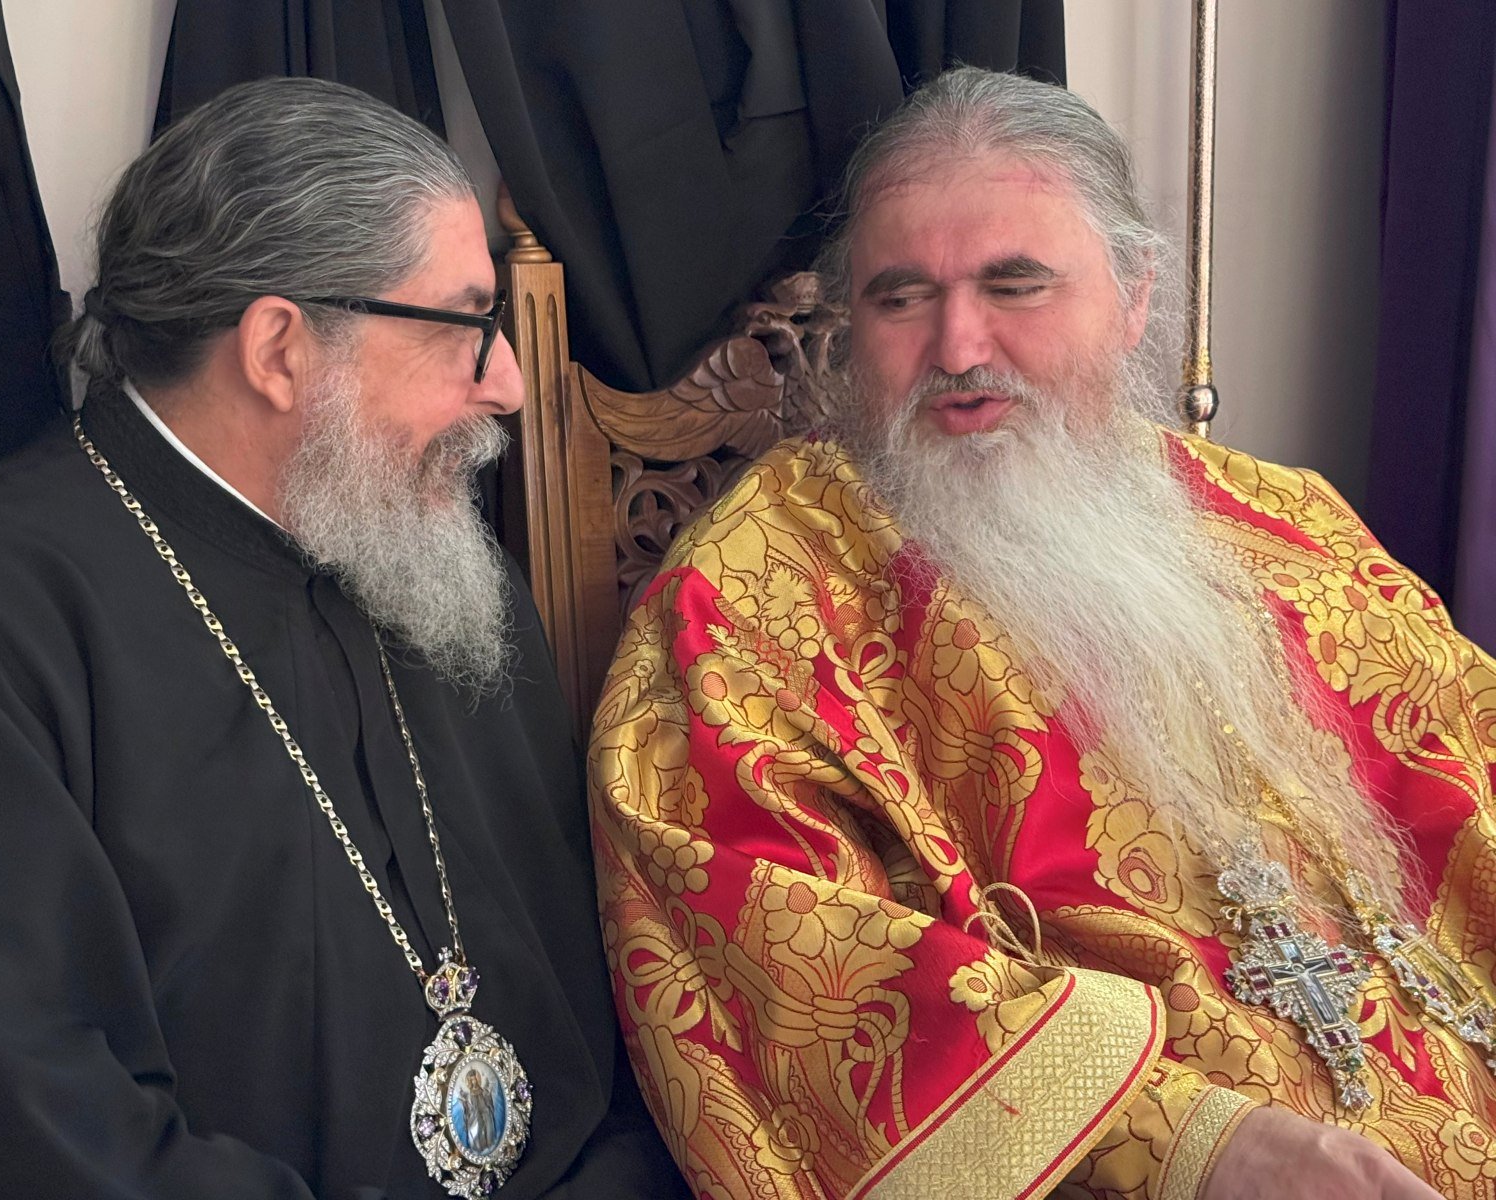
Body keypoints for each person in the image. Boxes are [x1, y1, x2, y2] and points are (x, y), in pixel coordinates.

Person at [591, 67, 1496, 1200]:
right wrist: (1192, 1144)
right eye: (900, 298)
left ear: (1134, 296)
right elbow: (788, 964)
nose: (958, 345)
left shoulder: (1289, 521)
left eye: (1015, 285)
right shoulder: (750, 596)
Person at [0, 77, 684, 1199]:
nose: (509, 384)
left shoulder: (441, 563)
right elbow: (34, 1122)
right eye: (470, 325)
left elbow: (614, 999)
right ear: (279, 348)